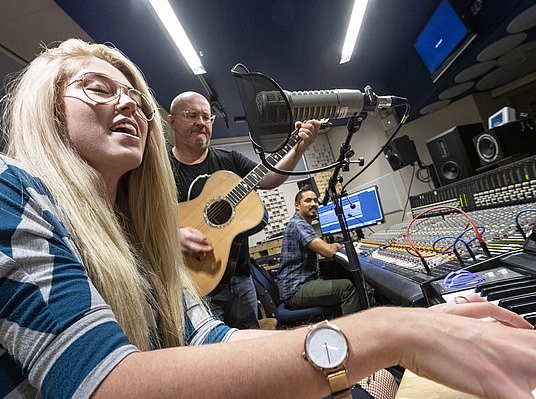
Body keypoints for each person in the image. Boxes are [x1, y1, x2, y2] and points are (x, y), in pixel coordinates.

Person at [1, 39, 535, 399]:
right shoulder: (10, 189)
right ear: (47, 110)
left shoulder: (140, 236)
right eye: (98, 88)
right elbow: (105, 384)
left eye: (136, 99)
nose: (128, 105)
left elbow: (212, 340)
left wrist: (387, 335)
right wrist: (387, 330)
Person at [167, 90, 318, 329]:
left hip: (240, 279)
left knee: (249, 343)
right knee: (213, 353)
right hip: (194, 283)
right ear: (172, 120)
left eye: (207, 117)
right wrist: (171, 236)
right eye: (191, 115)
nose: (201, 123)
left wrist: (298, 149)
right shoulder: (161, 171)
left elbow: (269, 178)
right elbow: (141, 220)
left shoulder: (229, 160)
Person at [277, 185, 363, 315]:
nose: (313, 204)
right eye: (308, 200)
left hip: (299, 285)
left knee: (342, 276)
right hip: (295, 290)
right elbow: (328, 252)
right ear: (297, 206)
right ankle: (352, 332)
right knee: (347, 287)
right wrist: (337, 245)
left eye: (315, 200)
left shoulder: (301, 223)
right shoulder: (298, 224)